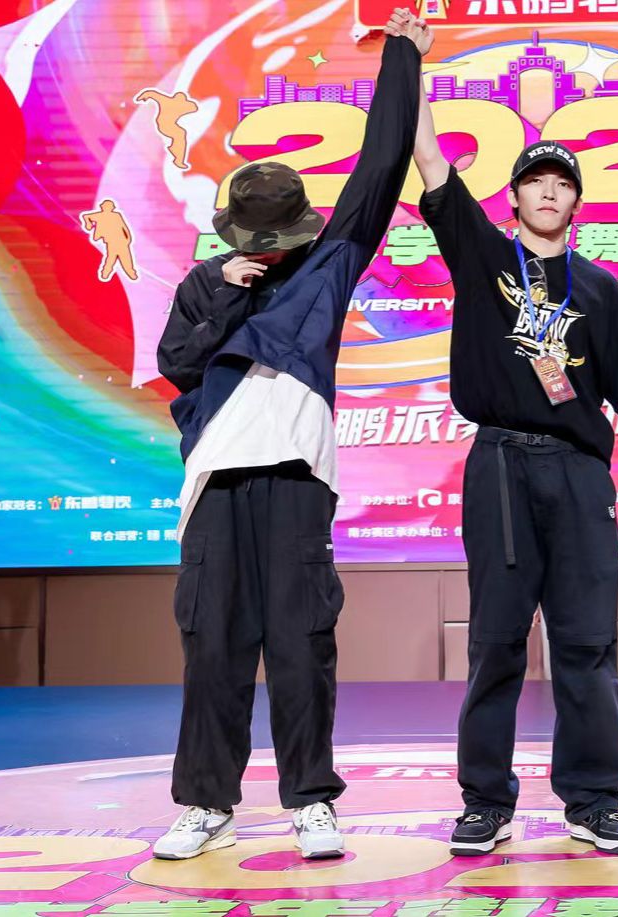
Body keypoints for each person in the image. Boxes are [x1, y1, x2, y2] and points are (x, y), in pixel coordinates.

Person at [407, 9, 618, 858]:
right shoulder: (482, 257)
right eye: (535, 180)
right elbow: (429, 161)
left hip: (579, 475)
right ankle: (485, 800)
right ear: (513, 197)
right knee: (497, 644)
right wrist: (410, 64)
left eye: (562, 182)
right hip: (501, 468)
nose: (549, 191)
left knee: (586, 643)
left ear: (577, 200)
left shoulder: (601, 290)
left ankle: (593, 799)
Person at [150, 22, 427, 860]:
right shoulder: (204, 283)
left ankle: (312, 801)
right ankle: (206, 803)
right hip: (215, 486)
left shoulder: (325, 266)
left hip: (297, 480)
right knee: (213, 647)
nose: (266, 251)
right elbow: (177, 366)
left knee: (302, 644)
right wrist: (229, 297)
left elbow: (379, 168)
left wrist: (403, 55)